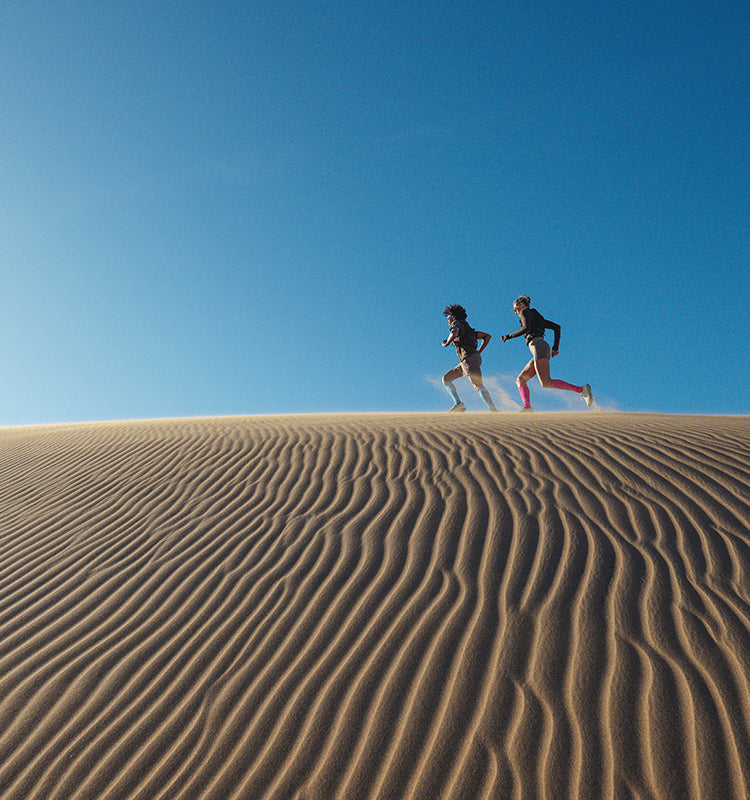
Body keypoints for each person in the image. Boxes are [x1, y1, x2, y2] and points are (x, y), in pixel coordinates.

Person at [501, 295, 593, 412]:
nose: (515, 312)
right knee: (520, 380)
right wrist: (555, 347)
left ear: (522, 305)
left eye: (515, 309)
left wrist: (508, 336)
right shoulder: (537, 317)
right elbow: (556, 327)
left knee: (545, 382)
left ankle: (581, 390)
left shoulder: (525, 312)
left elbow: (525, 328)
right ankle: (527, 407)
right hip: (541, 348)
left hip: (538, 346)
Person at [441, 304, 498, 412]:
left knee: (477, 385)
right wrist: (478, 352)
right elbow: (487, 336)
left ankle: (493, 410)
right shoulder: (469, 329)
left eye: (448, 317)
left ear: (453, 316)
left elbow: (454, 332)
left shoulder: (456, 323)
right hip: (467, 360)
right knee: (446, 379)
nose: (447, 320)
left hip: (468, 359)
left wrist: (447, 343)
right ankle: (458, 404)